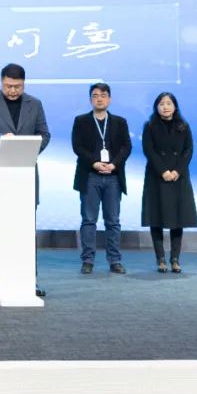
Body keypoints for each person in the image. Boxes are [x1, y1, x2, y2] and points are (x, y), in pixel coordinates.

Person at [0, 64, 50, 297]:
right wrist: (3, 139)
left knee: (26, 230)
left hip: (25, 173)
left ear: (24, 84)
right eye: (8, 86)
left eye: (17, 86)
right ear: (1, 82)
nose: (12, 90)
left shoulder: (35, 104)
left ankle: (29, 279)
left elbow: (45, 134)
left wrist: (27, 148)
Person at [72, 82, 132, 275]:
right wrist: (94, 163)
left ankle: (115, 260)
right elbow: (77, 147)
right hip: (90, 175)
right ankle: (88, 260)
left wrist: (114, 164)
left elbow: (126, 147)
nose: (99, 99)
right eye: (95, 95)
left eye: (103, 95)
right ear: (90, 99)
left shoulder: (120, 122)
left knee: (113, 221)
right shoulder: (81, 121)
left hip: (113, 177)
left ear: (110, 99)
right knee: (89, 220)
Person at [141, 92, 197, 273]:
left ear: (175, 106)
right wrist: (163, 171)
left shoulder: (183, 126)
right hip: (157, 176)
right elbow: (149, 150)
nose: (165, 107)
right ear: (156, 107)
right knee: (156, 218)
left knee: (177, 219)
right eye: (161, 104)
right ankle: (160, 259)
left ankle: (175, 259)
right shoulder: (150, 126)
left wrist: (176, 171)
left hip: (178, 177)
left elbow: (188, 150)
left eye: (168, 103)